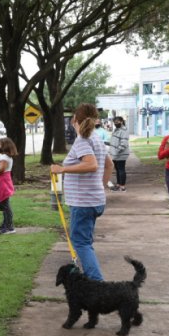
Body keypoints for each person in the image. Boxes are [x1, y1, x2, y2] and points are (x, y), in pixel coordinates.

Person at [50, 103, 113, 281]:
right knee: (85, 242)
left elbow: (91, 165)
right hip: (93, 200)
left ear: (74, 120)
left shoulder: (83, 140)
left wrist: (61, 170)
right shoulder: (96, 139)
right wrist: (99, 186)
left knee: (81, 243)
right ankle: (94, 282)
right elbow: (109, 165)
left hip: (83, 203)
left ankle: (97, 285)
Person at [0, 137, 18, 234]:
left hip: (3, 183)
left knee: (5, 206)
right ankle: (5, 224)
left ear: (5, 146)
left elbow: (1, 169)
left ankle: (9, 227)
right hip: (4, 181)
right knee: (4, 205)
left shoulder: (4, 158)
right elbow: (0, 168)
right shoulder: (5, 157)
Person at [109, 116, 130, 192]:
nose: (115, 123)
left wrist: (116, 151)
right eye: (114, 122)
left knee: (121, 169)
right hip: (115, 154)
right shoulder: (116, 130)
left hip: (121, 154)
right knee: (117, 170)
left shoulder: (124, 130)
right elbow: (115, 141)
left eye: (117, 122)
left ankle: (122, 186)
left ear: (121, 121)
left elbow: (123, 144)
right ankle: (118, 185)